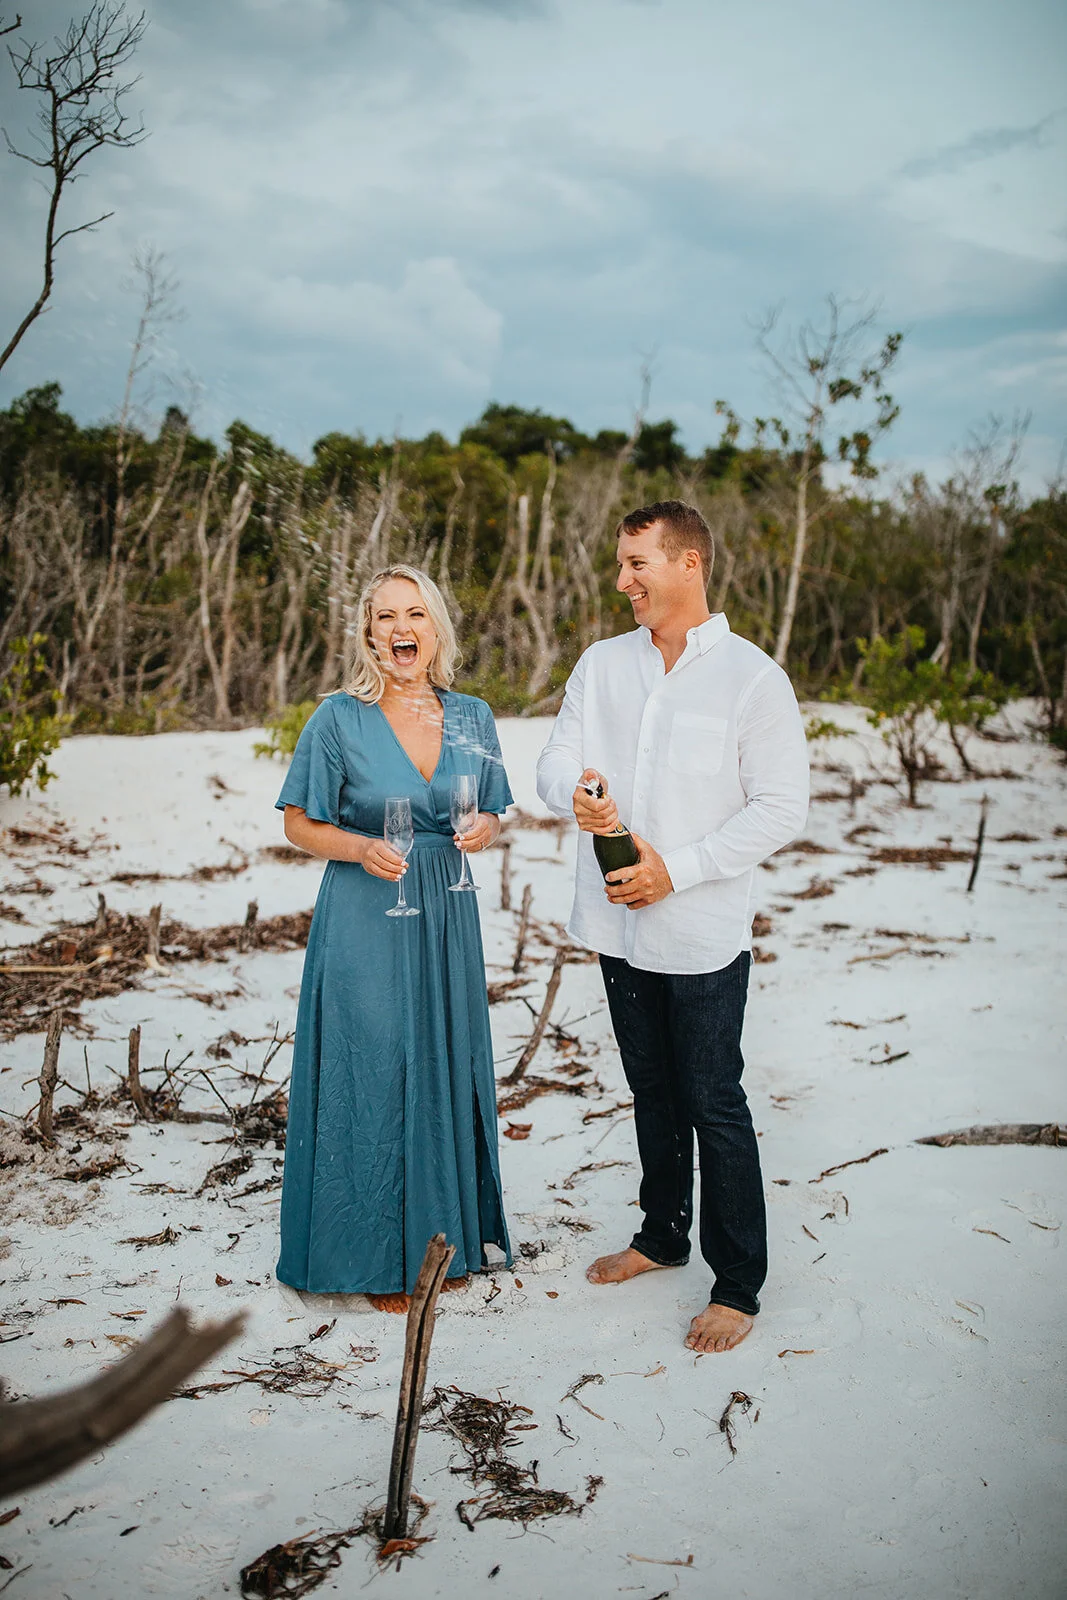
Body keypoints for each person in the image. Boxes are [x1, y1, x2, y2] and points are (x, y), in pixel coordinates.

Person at [536, 501, 809, 1353]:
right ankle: (661, 1237)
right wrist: (574, 795)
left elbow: (780, 808)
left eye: (636, 565)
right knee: (650, 1090)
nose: (622, 582)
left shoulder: (753, 679)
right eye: (619, 565)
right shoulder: (601, 664)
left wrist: (674, 870)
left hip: (700, 933)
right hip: (615, 930)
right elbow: (550, 764)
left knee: (711, 1099)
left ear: (688, 564)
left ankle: (737, 1283)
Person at [275, 564, 513, 1312]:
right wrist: (356, 848)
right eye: (385, 617)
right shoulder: (336, 719)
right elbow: (295, 822)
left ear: (435, 627)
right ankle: (375, 1258)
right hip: (364, 910)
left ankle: (445, 1241)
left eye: (414, 614)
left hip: (446, 910)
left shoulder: (473, 715)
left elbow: (494, 810)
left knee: (443, 1059)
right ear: (367, 632)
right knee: (372, 1066)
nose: (400, 629)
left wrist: (483, 828)